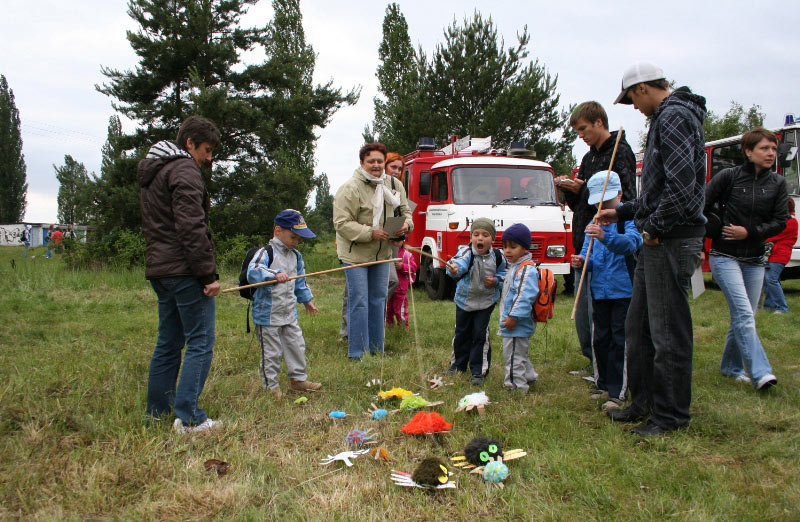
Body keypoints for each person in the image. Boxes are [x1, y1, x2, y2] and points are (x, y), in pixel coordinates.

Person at [597, 62, 707, 436]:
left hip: (670, 239)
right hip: (659, 237)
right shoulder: (667, 117)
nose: (635, 109)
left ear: (643, 88)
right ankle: (643, 404)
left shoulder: (673, 116)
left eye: (632, 100)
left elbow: (682, 188)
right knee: (639, 326)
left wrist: (655, 229)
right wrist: (621, 212)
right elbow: (658, 190)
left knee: (667, 332)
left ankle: (671, 417)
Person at [138, 115, 222, 434]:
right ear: (189, 143)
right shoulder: (184, 169)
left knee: (169, 341)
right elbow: (191, 227)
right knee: (201, 340)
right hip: (185, 271)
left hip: (161, 270)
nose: (208, 158)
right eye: (206, 150)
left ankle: (157, 411)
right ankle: (188, 419)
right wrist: (208, 275)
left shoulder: (156, 170)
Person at [555, 101, 636, 377]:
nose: (581, 135)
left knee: (598, 311)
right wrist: (571, 190)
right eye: (577, 131)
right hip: (585, 238)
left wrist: (587, 193)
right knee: (584, 310)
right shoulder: (589, 158)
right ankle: (594, 361)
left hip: (607, 244)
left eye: (583, 129)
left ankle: (605, 365)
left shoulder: (620, 152)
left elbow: (625, 199)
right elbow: (582, 204)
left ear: (599, 122)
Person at [705, 127, 789, 390]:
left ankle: (731, 368)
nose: (771, 153)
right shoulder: (728, 177)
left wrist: (750, 232)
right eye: (765, 148)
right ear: (748, 151)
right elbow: (700, 207)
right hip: (724, 255)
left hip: (754, 257)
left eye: (774, 148)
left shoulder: (778, 184)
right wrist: (712, 230)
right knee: (743, 313)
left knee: (745, 315)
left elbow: (781, 221)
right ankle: (761, 373)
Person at [333, 142, 413, 360]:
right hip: (355, 255)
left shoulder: (394, 184)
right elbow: (341, 223)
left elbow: (406, 211)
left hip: (383, 254)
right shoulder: (350, 188)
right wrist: (371, 233)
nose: (376, 165)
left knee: (378, 299)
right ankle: (357, 353)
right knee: (359, 301)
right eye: (371, 161)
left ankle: (377, 350)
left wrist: (406, 225)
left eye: (379, 161)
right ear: (362, 163)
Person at [571, 171, 642, 412]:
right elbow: (588, 255)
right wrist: (582, 261)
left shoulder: (628, 219)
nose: (602, 207)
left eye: (607, 201)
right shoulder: (593, 223)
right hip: (599, 292)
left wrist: (605, 237)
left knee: (620, 341)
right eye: (597, 203)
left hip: (624, 292)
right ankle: (602, 383)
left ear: (619, 195)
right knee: (599, 339)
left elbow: (631, 244)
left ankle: (619, 391)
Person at [247, 209, 322, 400]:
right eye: (293, 237)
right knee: (271, 353)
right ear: (278, 230)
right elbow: (253, 270)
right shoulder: (266, 252)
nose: (296, 241)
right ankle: (271, 387)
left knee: (296, 345)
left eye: (298, 238)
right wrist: (274, 274)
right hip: (268, 315)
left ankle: (298, 380)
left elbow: (300, 281)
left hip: (289, 313)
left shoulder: (296, 256)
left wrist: (307, 300)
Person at [446, 218, 507, 385]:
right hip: (464, 301)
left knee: (480, 335)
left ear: (492, 239)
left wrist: (496, 280)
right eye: (476, 234)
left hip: (486, 303)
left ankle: (478, 371)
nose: (480, 238)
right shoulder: (466, 252)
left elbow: (506, 275)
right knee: (461, 333)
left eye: (485, 235)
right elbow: (458, 264)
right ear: (471, 237)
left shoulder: (498, 256)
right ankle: (457, 366)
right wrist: (454, 269)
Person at [498, 223, 539, 393]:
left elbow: (524, 296)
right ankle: (529, 376)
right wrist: (497, 281)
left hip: (516, 323)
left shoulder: (525, 269)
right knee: (519, 352)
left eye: (513, 247)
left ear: (524, 248)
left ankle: (516, 386)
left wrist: (513, 317)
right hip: (515, 321)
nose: (508, 251)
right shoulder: (516, 267)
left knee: (513, 355)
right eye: (505, 246)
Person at [763, 198, 797, 314]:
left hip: (780, 255)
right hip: (774, 254)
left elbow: (773, 235)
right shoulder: (785, 220)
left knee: (771, 279)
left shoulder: (790, 222)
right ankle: (769, 306)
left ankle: (782, 307)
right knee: (768, 280)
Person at [385, 152, 406, 306]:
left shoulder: (398, 189)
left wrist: (403, 230)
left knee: (391, 281)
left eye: (400, 169)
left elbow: (403, 214)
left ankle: (379, 313)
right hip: (371, 242)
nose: (397, 172)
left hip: (390, 243)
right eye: (393, 167)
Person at [386, 235, 417, 330]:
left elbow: (413, 268)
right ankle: (389, 326)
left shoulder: (407, 255)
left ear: (403, 241)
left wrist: (402, 266)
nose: (395, 243)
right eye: (393, 241)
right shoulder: (386, 253)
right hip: (388, 287)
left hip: (400, 289)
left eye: (397, 241)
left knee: (400, 309)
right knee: (388, 309)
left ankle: (403, 327)